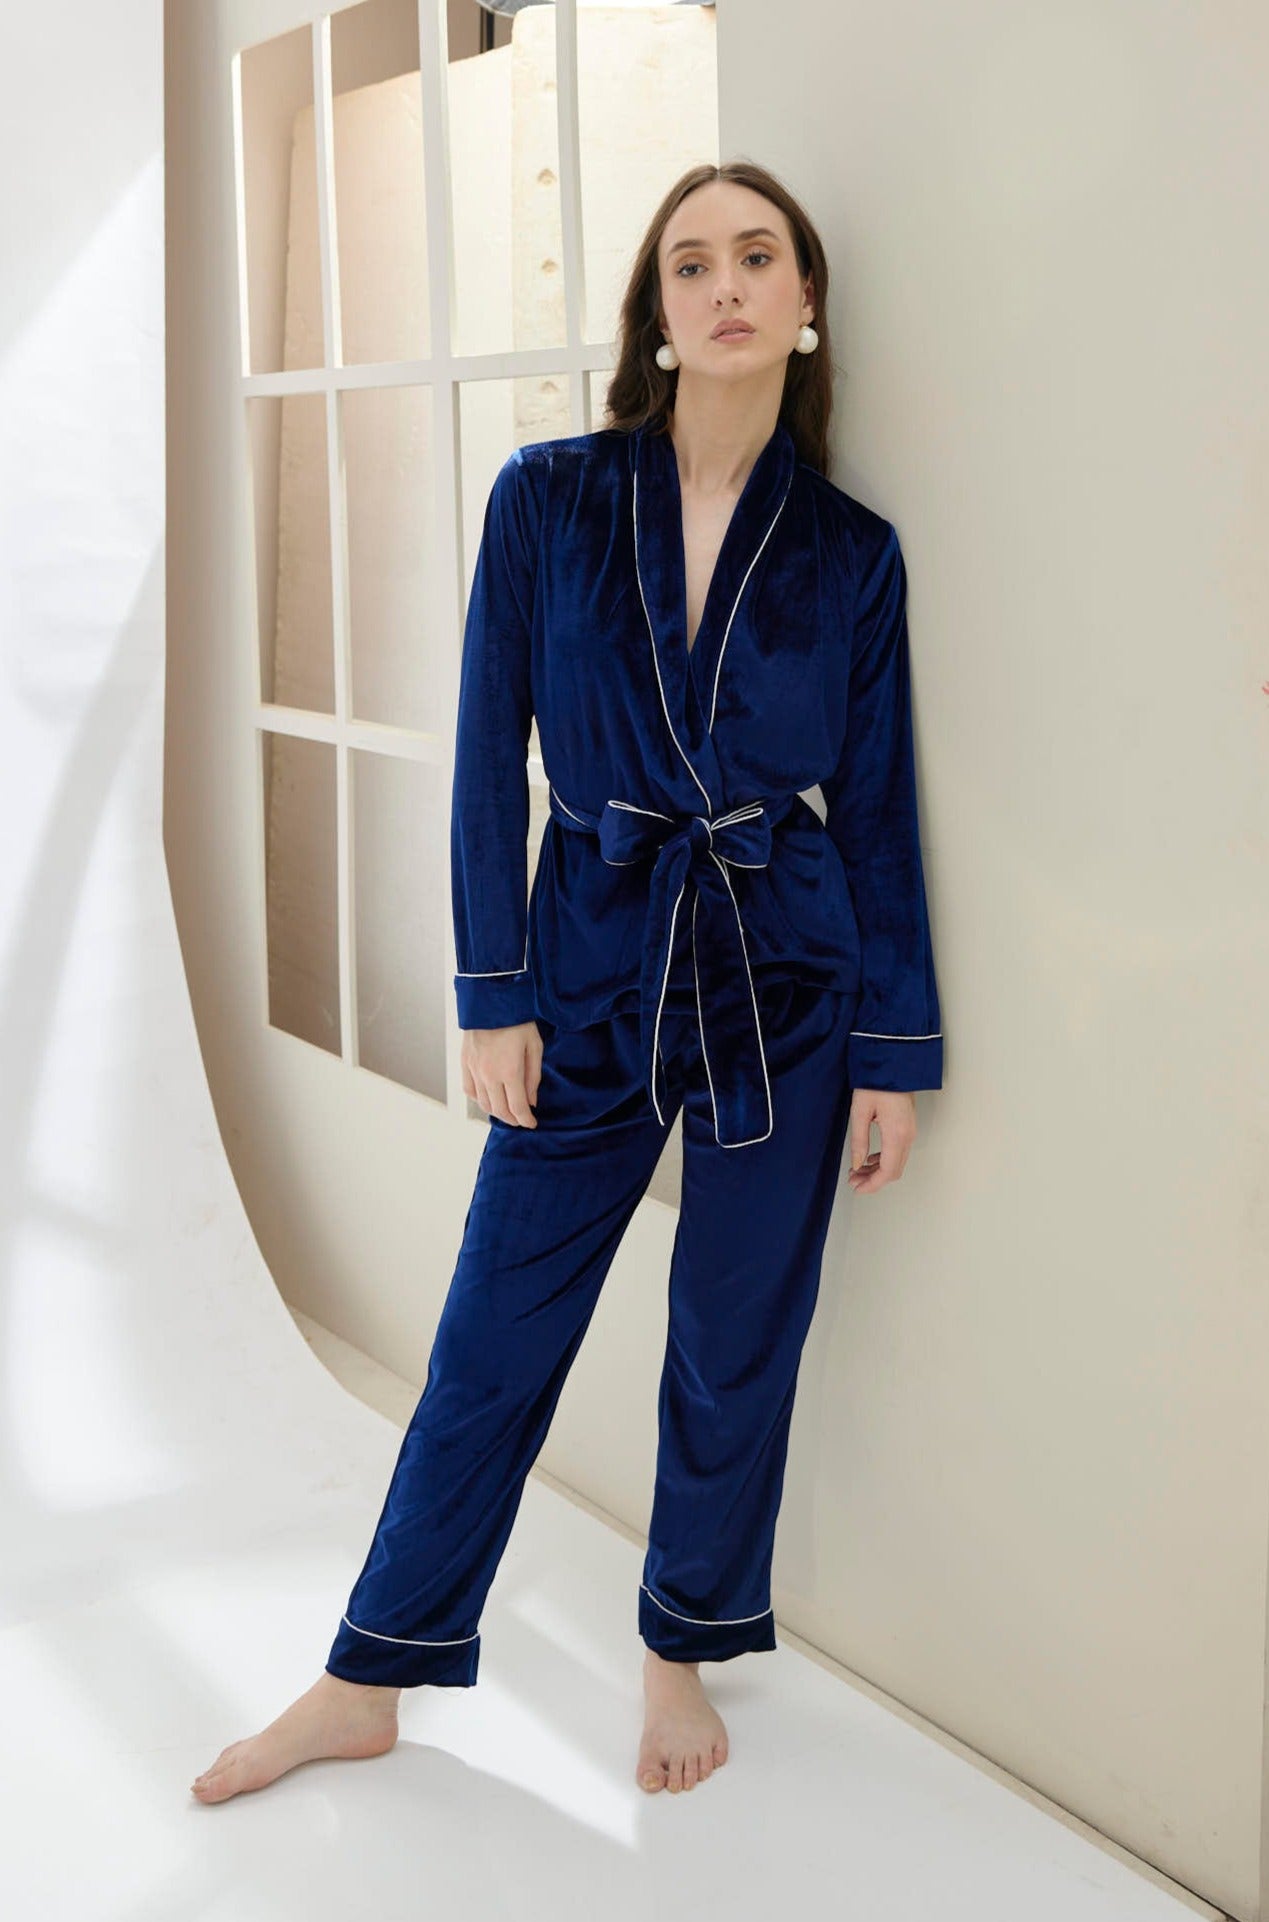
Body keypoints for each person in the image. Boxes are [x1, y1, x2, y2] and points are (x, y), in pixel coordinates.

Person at [191, 158, 942, 1805]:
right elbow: (485, 756)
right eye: (691, 263)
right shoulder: (548, 499)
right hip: (591, 960)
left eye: (757, 257)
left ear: (804, 304)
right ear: (654, 315)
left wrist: (894, 1048)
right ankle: (368, 1670)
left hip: (785, 986)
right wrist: (492, 991)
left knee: (733, 1338)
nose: (725, 285)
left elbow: (877, 813)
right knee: (491, 1333)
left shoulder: (850, 556)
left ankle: (677, 1645)